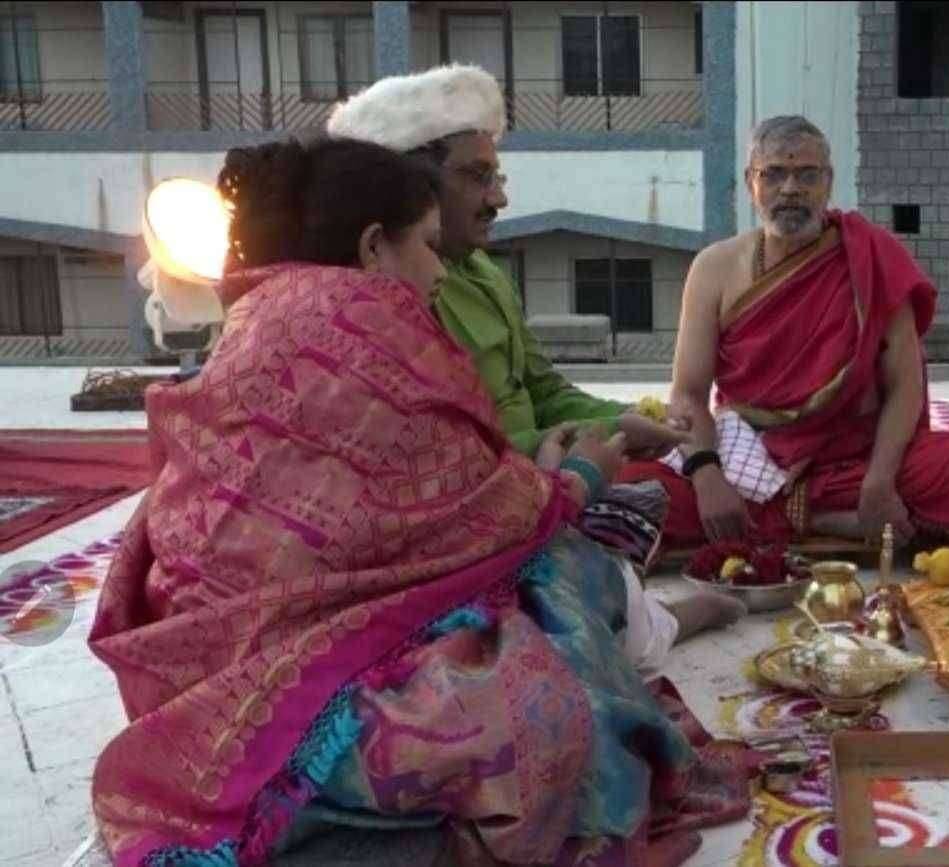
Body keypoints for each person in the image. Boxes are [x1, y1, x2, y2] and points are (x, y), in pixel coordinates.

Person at [88, 137, 750, 867]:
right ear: (375, 246)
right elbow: (479, 521)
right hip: (301, 666)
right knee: (555, 657)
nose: (442, 266)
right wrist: (577, 482)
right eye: (429, 244)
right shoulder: (368, 323)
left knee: (576, 562)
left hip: (215, 671)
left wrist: (578, 459)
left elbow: (434, 499)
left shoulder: (265, 305)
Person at [619, 116, 949, 547]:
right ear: (750, 182)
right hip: (749, 450)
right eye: (774, 173)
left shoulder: (871, 254)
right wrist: (706, 476)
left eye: (807, 175)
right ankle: (822, 518)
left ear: (828, 182)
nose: (791, 188)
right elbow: (687, 394)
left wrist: (879, 480)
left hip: (850, 455)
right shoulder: (713, 268)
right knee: (629, 487)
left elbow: (905, 384)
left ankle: (795, 515)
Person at [325, 63, 688, 463]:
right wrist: (606, 433)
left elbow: (544, 392)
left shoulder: (486, 272)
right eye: (478, 177)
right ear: (415, 186)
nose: (499, 200)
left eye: (498, 177)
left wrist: (626, 415)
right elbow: (444, 459)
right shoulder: (387, 298)